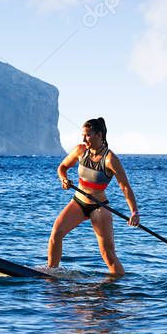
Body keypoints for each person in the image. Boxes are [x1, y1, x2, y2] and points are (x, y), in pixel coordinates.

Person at [48, 117, 138, 277]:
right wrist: (64, 179)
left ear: (99, 135)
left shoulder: (110, 159)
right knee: (56, 232)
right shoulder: (80, 150)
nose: (84, 139)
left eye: (87, 135)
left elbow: (124, 187)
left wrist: (134, 213)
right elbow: (62, 167)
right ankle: (51, 272)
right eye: (83, 135)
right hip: (78, 202)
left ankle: (119, 284)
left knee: (107, 253)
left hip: (99, 207)